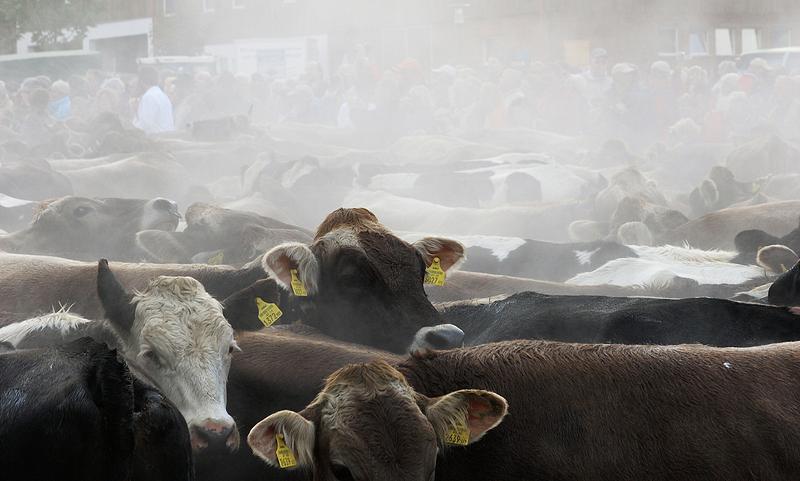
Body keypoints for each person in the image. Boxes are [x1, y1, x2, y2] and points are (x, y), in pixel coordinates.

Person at [133, 66, 174, 134]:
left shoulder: (148, 96)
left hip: (157, 138)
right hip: (167, 135)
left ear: (142, 81)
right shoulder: (162, 94)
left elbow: (146, 125)